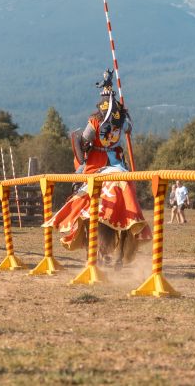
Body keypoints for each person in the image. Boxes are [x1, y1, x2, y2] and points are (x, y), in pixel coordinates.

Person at [44, 69, 150, 267]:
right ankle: (129, 222)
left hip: (96, 165)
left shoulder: (94, 122)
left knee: (79, 190)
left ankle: (83, 222)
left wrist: (83, 152)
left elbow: (82, 142)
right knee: (128, 186)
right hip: (117, 165)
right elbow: (129, 129)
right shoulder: (123, 122)